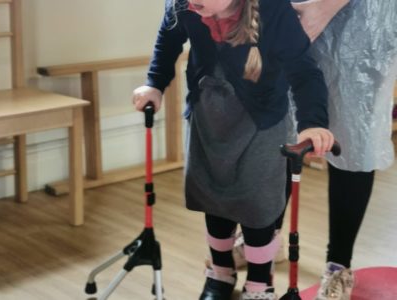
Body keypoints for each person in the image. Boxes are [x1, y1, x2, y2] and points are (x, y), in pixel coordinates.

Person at [132, 0, 335, 299]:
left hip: (262, 121)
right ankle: (220, 273)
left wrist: (313, 123)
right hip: (210, 115)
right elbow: (168, 39)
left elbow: (303, 69)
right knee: (213, 199)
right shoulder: (184, 5)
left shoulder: (271, 9)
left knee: (258, 207)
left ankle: (258, 283)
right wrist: (155, 83)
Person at [229, 1, 397, 299]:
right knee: (279, 133)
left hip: (365, 18)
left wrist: (325, 6)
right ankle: (266, 243)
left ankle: (338, 266)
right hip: (290, 12)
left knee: (352, 141)